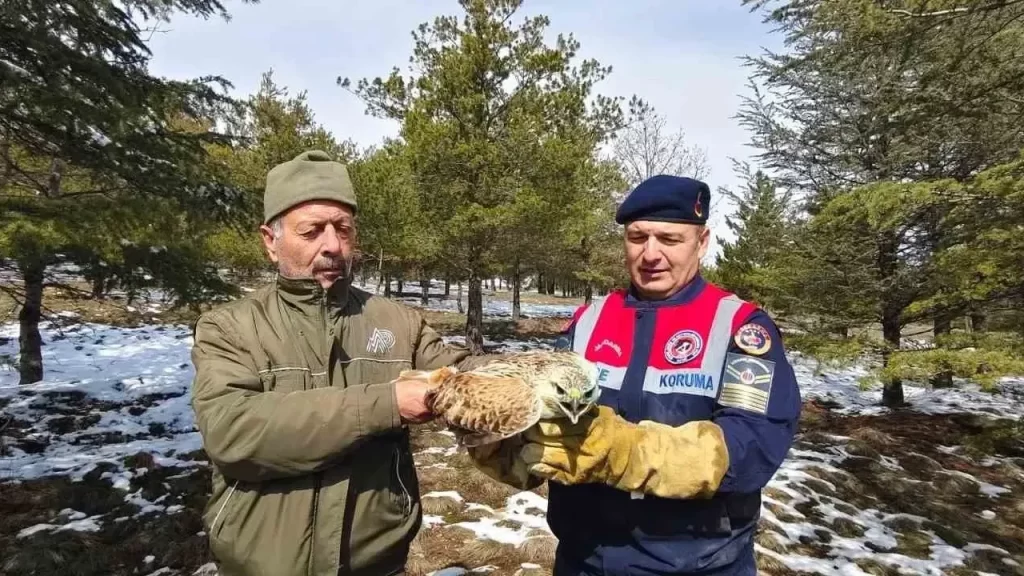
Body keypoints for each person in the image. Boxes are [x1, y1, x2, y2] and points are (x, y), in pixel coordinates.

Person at [469, 174, 802, 575]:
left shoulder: (740, 328)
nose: (651, 254)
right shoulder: (588, 323)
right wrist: (507, 448)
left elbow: (752, 447)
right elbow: (548, 423)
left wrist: (630, 453)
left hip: (698, 564)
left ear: (702, 241)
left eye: (670, 239)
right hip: (584, 559)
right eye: (638, 237)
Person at [189, 150, 492, 576]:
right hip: (261, 564)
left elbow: (464, 376)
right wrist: (386, 403)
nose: (333, 245)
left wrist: (535, 377)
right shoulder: (231, 327)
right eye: (312, 231)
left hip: (377, 562)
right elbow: (234, 433)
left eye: (343, 229)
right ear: (270, 241)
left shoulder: (398, 322)